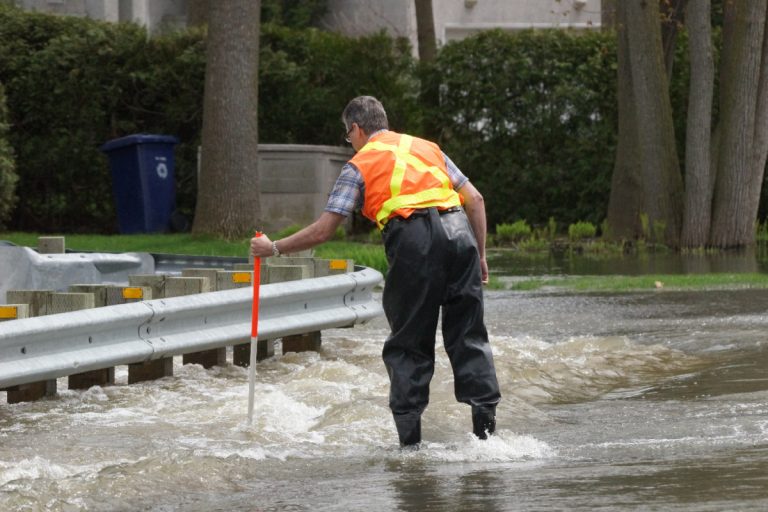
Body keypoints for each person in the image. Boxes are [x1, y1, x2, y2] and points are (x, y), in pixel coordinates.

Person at [251, 96, 501, 448]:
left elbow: (324, 230)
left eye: (347, 135)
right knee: (469, 336)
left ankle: (410, 449)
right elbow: (475, 200)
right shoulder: (427, 148)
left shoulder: (360, 164)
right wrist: (481, 254)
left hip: (414, 241)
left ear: (356, 128)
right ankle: (486, 439)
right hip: (461, 237)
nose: (349, 141)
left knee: (409, 344)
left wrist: (273, 247)